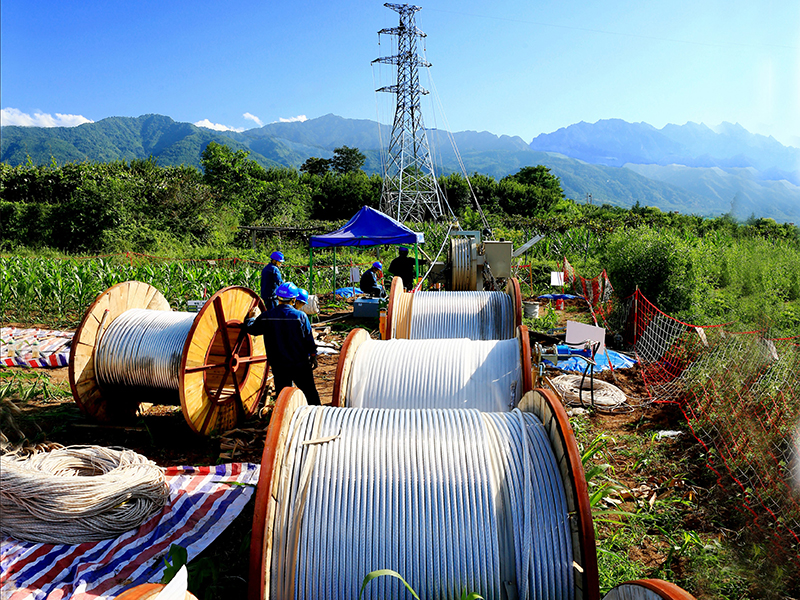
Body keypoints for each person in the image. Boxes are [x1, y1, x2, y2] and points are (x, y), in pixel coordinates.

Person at [246, 282, 320, 405]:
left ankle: (284, 420)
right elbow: (309, 340)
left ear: (278, 298)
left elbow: (252, 329)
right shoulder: (300, 316)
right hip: (300, 364)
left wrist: (251, 318)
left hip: (279, 365)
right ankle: (318, 415)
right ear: (294, 299)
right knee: (310, 392)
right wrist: (313, 356)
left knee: (283, 396)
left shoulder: (267, 317)